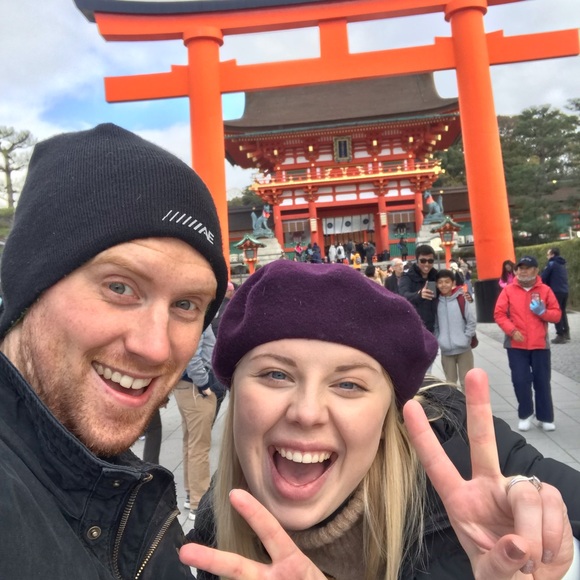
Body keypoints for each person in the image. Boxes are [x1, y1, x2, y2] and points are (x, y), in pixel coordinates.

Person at [181, 260, 580, 580]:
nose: (306, 413)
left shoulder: (464, 457)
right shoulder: (218, 523)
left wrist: (552, 544)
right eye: (276, 375)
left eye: (349, 384)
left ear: (389, 413)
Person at [0, 123, 228, 579]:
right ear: (31, 284)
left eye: (186, 305)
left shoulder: (130, 493)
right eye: (120, 287)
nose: (155, 347)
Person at [494, 256, 561, 433]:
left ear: (536, 270)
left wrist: (543, 312)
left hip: (540, 345)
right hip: (516, 344)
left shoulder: (545, 290)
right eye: (520, 268)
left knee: (542, 382)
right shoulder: (508, 290)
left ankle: (545, 417)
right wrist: (511, 330)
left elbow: (557, 315)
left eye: (527, 268)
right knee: (520, 380)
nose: (523, 271)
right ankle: (525, 414)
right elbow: (499, 314)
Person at [174, 326, 218, 520]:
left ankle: (191, 495)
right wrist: (204, 384)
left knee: (190, 443)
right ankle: (198, 503)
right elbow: (192, 355)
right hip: (195, 388)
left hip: (185, 385)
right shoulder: (199, 321)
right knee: (199, 447)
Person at [434, 269, 476, 390]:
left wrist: (466, 338)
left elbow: (471, 321)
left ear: (453, 283)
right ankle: (455, 403)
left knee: (467, 383)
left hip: (464, 349)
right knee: (450, 385)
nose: (443, 285)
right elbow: (435, 325)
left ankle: (467, 403)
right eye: (440, 282)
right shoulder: (436, 303)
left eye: (447, 282)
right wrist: (439, 340)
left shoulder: (461, 299)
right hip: (446, 351)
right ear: (436, 284)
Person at [399, 244, 438, 334]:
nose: (427, 264)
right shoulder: (407, 277)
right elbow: (403, 295)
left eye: (430, 261)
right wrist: (419, 295)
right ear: (417, 260)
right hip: (415, 328)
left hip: (434, 327)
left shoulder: (436, 276)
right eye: (423, 261)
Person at [541, 247, 570, 344]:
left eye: (548, 254)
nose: (547, 256)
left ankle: (560, 335)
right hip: (565, 291)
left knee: (557, 312)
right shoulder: (562, 264)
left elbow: (543, 277)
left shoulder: (551, 263)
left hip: (556, 291)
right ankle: (566, 332)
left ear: (552, 255)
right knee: (562, 312)